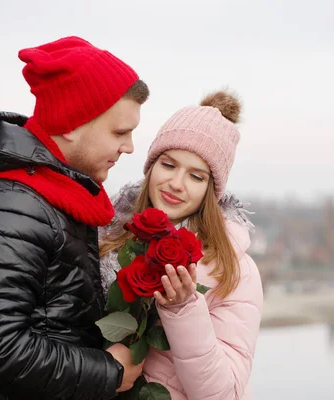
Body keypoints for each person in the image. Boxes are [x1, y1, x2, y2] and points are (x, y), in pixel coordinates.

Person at [0, 36, 149, 399]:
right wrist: (108, 373)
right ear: (70, 123)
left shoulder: (51, 197)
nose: (129, 146)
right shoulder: (10, 207)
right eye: (119, 132)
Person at [99, 90, 263, 399]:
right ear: (151, 166)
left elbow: (223, 394)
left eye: (196, 176)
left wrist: (183, 308)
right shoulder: (105, 238)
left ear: (210, 191)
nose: (176, 184)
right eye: (169, 164)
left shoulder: (235, 271)